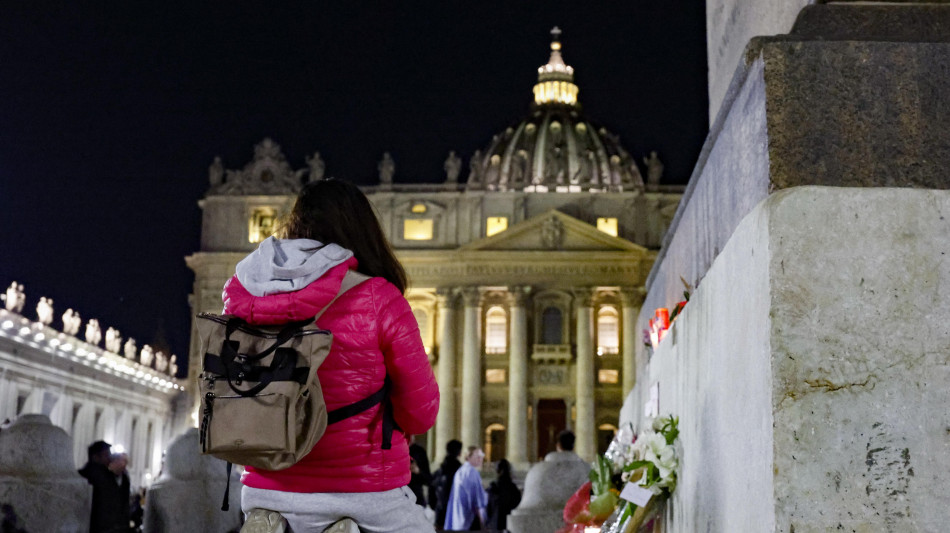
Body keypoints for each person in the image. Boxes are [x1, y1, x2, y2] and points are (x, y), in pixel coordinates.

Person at [226, 178, 440, 533]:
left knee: (270, 503)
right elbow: (421, 414)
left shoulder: (246, 291)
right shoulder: (380, 297)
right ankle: (342, 524)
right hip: (362, 486)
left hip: (266, 482)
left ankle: (270, 518)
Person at [78, 441, 131, 533]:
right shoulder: (104, 476)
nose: (109, 458)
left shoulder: (82, 474)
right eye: (106, 455)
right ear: (96, 457)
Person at [444, 447, 488, 531]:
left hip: (458, 520)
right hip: (470, 520)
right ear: (468, 457)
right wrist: (483, 522)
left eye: (481, 456)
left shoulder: (459, 471)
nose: (481, 459)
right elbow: (478, 500)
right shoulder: (473, 472)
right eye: (477, 456)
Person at [430, 439, 463, 528]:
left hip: (440, 514)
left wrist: (435, 507)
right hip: (455, 516)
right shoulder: (461, 472)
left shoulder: (438, 472)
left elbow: (431, 492)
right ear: (459, 453)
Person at [486, 459, 521, 532]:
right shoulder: (513, 488)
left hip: (495, 525)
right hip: (509, 526)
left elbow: (488, 509)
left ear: (499, 471)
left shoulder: (493, 488)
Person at [408, 435, 432, 507]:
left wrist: (418, 471)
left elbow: (428, 479)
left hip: (416, 497)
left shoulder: (419, 451)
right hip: (398, 497)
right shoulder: (394, 450)